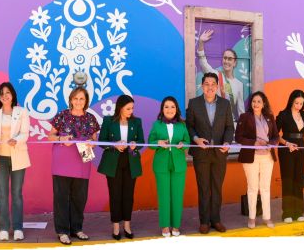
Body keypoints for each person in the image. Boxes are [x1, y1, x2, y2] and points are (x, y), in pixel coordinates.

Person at [47, 87, 100, 245]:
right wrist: (62, 139)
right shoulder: (62, 116)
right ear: (70, 100)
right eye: (75, 98)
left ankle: (77, 229)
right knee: (61, 197)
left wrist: (92, 143)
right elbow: (51, 136)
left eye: (81, 99)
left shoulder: (91, 118)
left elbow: (95, 140)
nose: (78, 102)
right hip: (62, 162)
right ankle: (62, 231)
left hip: (82, 163)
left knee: (79, 197)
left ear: (86, 101)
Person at [186, 72, 235, 234]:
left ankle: (216, 220)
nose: (210, 87)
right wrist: (196, 139)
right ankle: (204, 221)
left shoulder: (225, 104)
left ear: (217, 86)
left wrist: (227, 142)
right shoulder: (193, 104)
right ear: (202, 86)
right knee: (204, 188)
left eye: (213, 83)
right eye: (206, 83)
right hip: (202, 154)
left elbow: (229, 127)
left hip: (220, 153)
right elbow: (189, 126)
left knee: (217, 188)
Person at [0, 82, 31, 242]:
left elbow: (25, 133)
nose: (5, 95)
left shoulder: (22, 111)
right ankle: (4, 228)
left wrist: (16, 140)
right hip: (0, 158)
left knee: (17, 194)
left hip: (18, 156)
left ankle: (18, 228)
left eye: (8, 93)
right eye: (2, 93)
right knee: (2, 195)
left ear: (13, 95)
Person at [98, 94, 145, 240]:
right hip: (113, 162)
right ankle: (116, 227)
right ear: (120, 108)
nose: (131, 111)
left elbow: (142, 142)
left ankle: (127, 225)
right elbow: (101, 142)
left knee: (128, 196)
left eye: (132, 108)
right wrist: (114, 145)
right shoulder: (108, 121)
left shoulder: (137, 122)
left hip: (131, 161)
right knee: (115, 195)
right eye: (128, 108)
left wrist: (134, 145)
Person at [235, 91, 279, 229]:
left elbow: (276, 136)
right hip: (251, 157)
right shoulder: (245, 117)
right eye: (254, 101)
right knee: (253, 188)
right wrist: (253, 143)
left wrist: (271, 143)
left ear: (263, 103)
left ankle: (267, 217)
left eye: (259, 101)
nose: (256, 104)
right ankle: (252, 218)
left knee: (265, 188)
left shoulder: (270, 117)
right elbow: (238, 137)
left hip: (267, 157)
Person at [148, 96, 190, 238]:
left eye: (172, 106)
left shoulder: (182, 125)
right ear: (162, 109)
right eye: (166, 106)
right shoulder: (156, 125)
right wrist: (158, 142)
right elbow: (150, 143)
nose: (169, 109)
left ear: (176, 109)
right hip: (161, 164)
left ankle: (176, 225)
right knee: (164, 196)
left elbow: (188, 141)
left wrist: (183, 144)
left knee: (177, 195)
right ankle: (165, 226)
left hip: (178, 164)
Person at [197, 30, 246, 120]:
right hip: (214, 122)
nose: (226, 61)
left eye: (230, 59)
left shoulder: (239, 85)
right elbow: (204, 64)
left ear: (235, 63)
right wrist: (200, 43)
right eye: (225, 58)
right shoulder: (216, 75)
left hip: (230, 125)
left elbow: (241, 111)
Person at [275, 90, 304, 223]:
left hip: (300, 148)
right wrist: (287, 143)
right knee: (288, 179)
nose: (299, 106)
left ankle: (298, 212)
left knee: (298, 179)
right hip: (286, 149)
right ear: (291, 101)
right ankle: (287, 213)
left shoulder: (303, 114)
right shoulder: (283, 114)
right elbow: (274, 134)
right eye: (296, 103)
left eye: (301, 103)